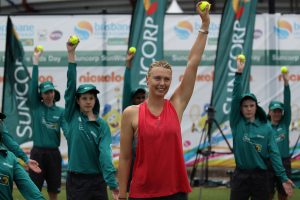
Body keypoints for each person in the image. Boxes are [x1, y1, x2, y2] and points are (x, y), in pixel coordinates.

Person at [118, 4, 210, 199]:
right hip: (141, 192)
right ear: (147, 79)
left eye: (167, 79)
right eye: (157, 78)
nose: (162, 83)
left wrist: (205, 25)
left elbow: (192, 63)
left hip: (175, 192)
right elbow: (125, 158)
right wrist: (122, 192)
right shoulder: (131, 113)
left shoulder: (176, 105)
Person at [229, 58, 294, 200]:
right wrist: (239, 73)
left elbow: (275, 154)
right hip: (240, 176)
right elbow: (235, 98)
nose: (248, 109)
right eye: (245, 106)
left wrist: (283, 177)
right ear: (240, 108)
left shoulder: (266, 128)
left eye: (251, 105)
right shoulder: (237, 123)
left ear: (256, 107)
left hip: (261, 176)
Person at [64, 39, 119, 200]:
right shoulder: (72, 115)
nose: (88, 101)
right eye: (84, 98)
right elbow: (70, 85)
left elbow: (105, 155)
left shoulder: (102, 125)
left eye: (91, 98)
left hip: (97, 180)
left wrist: (112, 183)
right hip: (76, 180)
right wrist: (71, 54)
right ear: (77, 101)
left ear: (95, 100)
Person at [28, 47, 68, 200]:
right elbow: (33, 86)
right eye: (46, 92)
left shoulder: (61, 111)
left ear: (54, 93)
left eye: (51, 91)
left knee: (54, 189)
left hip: (54, 153)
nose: (49, 95)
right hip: (37, 152)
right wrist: (36, 61)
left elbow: (66, 128)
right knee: (34, 188)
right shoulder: (36, 107)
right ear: (41, 95)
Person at [268, 70, 291, 200]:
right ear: (269, 112)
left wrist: (286, 83)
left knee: (283, 193)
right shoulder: (264, 127)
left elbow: (287, 104)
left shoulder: (285, 123)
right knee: (268, 193)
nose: (277, 113)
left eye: (279, 111)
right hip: (269, 163)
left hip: (284, 162)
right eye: (274, 111)